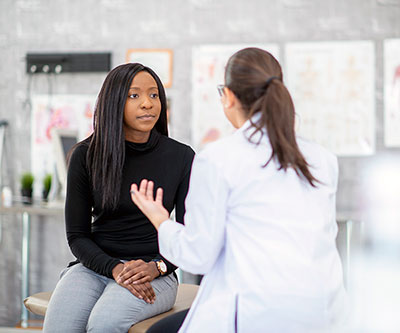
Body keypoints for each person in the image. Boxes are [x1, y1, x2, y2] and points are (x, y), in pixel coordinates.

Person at [130, 48, 348, 332]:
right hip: (325, 311)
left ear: (229, 96)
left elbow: (198, 257)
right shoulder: (322, 158)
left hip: (256, 314)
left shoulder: (219, 159)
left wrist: (160, 220)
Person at [43, 63, 195, 332]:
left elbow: (189, 234)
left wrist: (157, 267)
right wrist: (114, 269)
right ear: (114, 102)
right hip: (95, 266)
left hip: (156, 272)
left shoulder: (182, 157)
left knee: (104, 323)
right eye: (134, 95)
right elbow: (77, 236)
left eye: (154, 95)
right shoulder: (85, 155)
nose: (147, 103)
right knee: (60, 326)